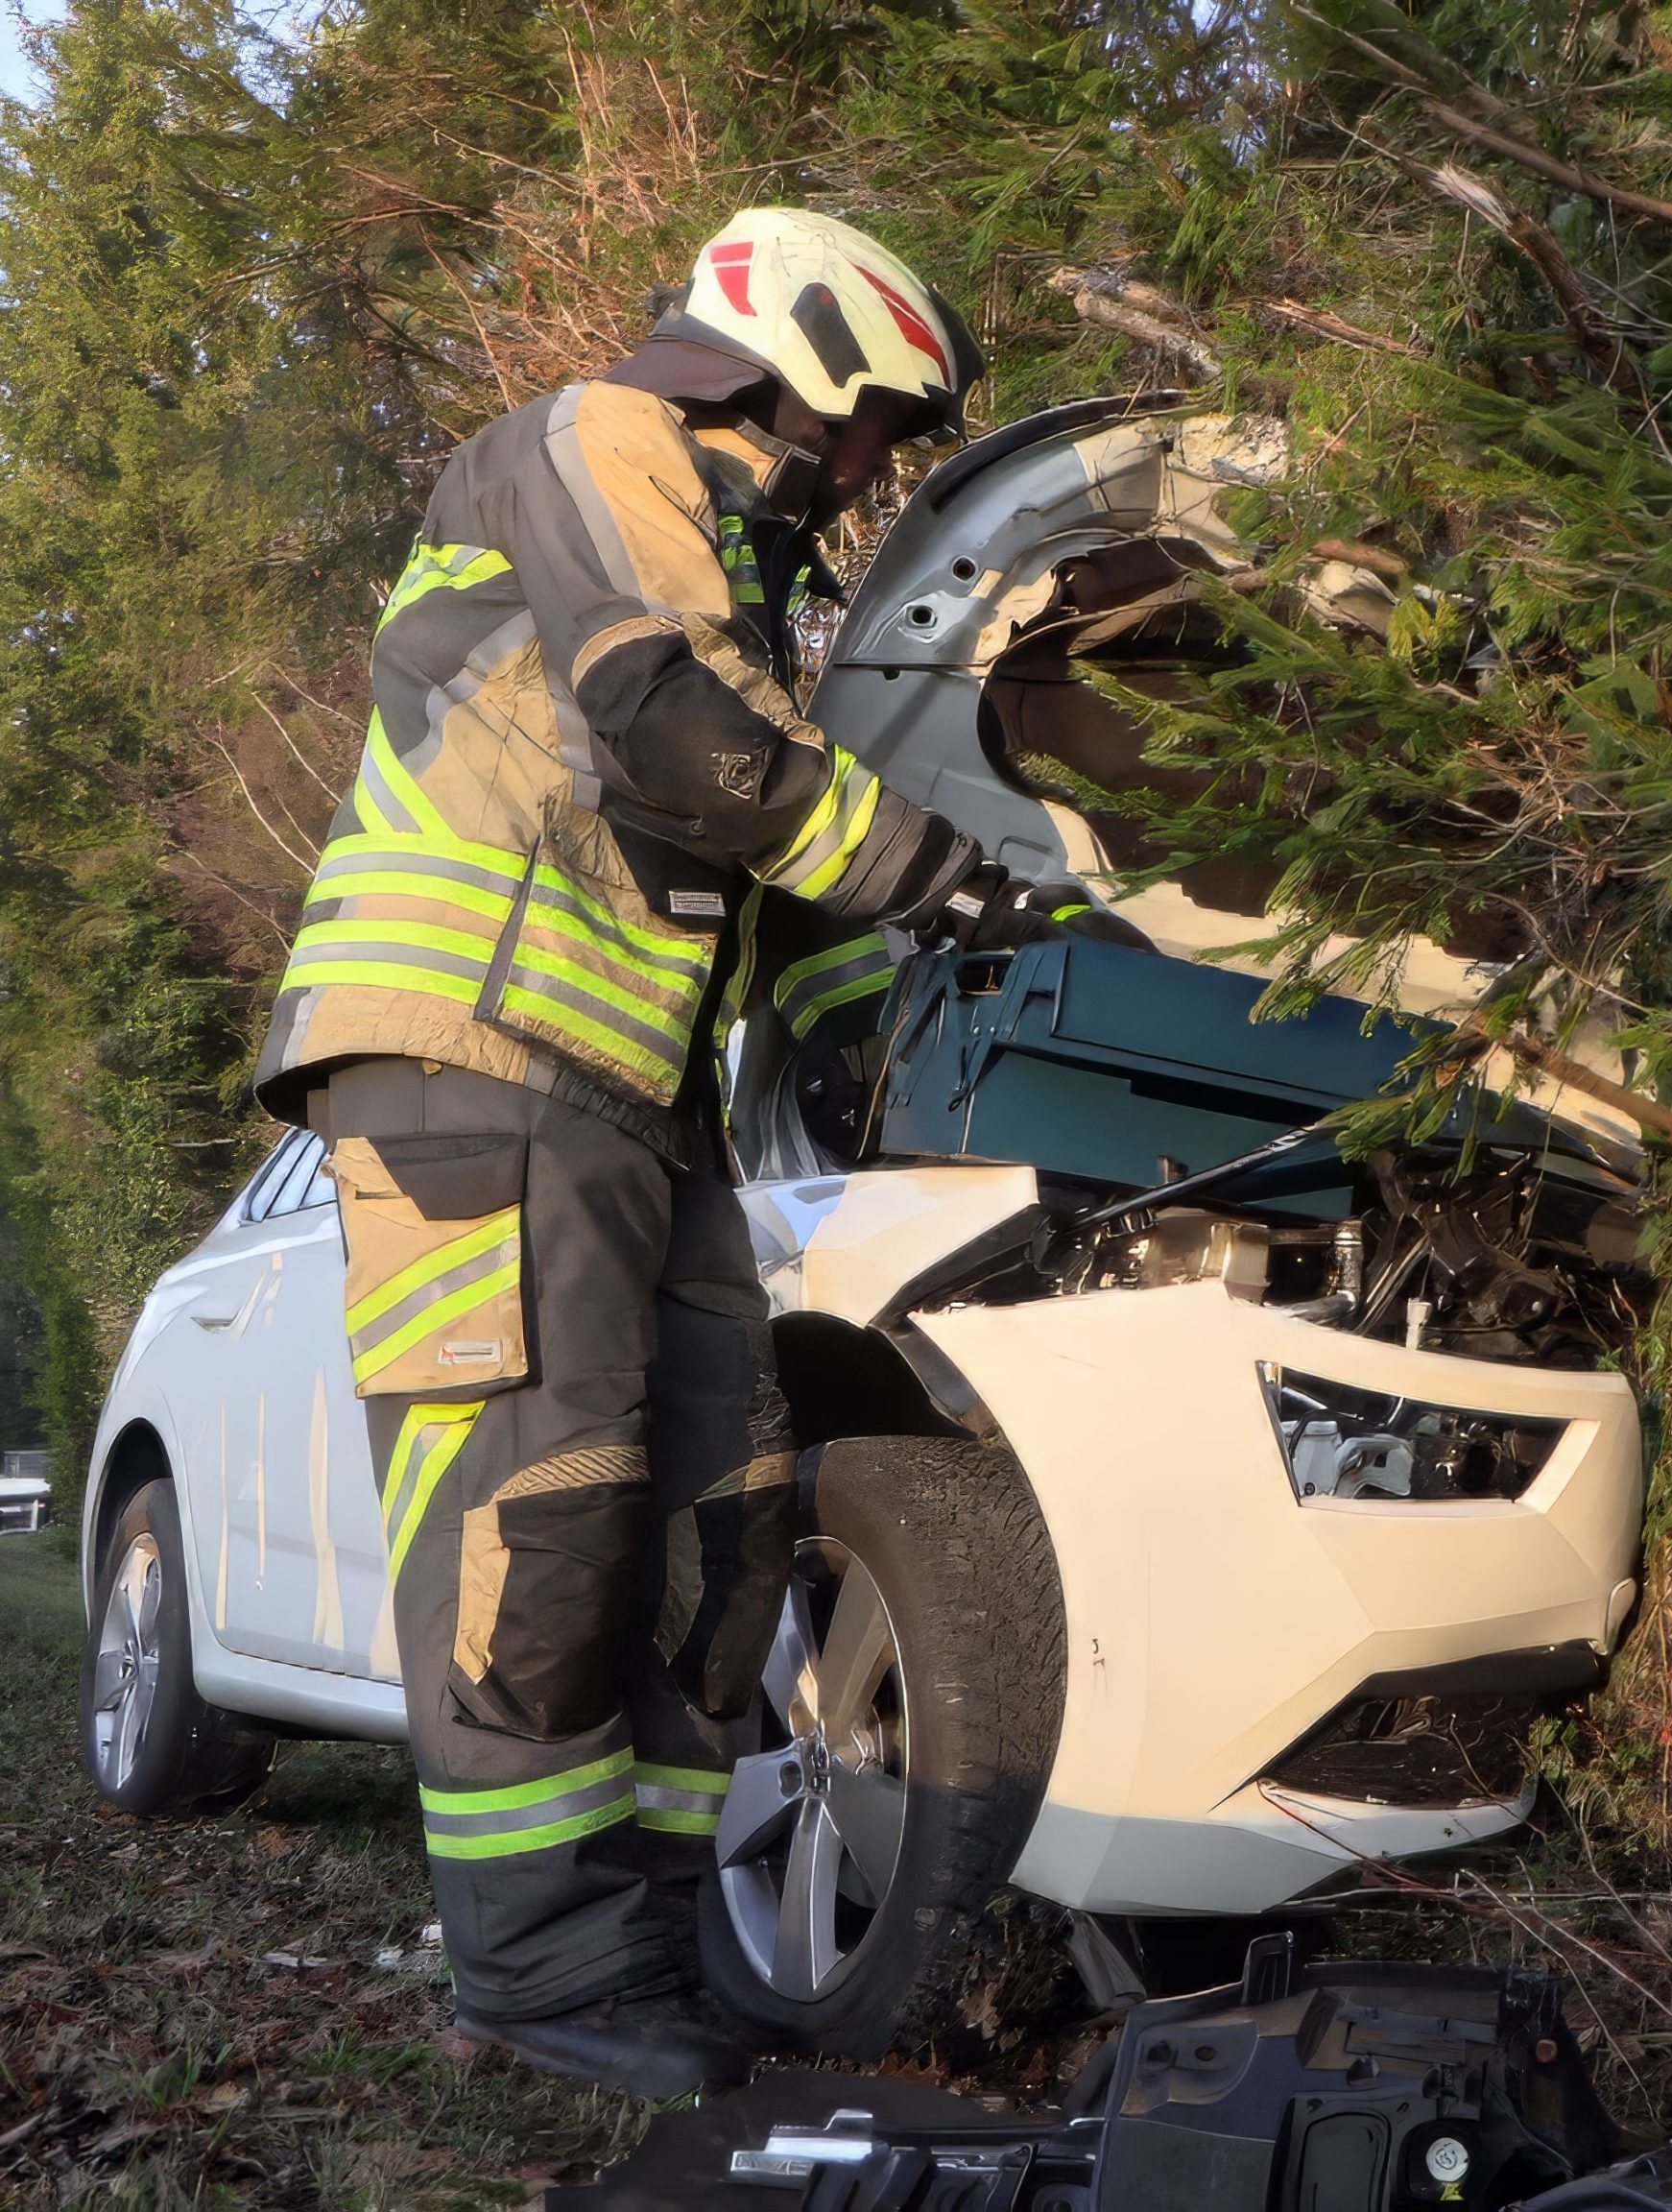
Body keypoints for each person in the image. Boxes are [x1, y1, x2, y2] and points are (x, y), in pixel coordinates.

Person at [251, 207, 1056, 2098]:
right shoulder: (593, 441)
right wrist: (955, 883)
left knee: (723, 1512)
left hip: (634, 1097)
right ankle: (542, 1966)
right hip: (468, 1057)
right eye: (880, 427)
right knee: (539, 1509)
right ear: (804, 358)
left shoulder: (730, 580)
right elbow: (671, 734)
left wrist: (906, 1030)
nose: (871, 475)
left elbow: (766, 870)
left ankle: (666, 1947)